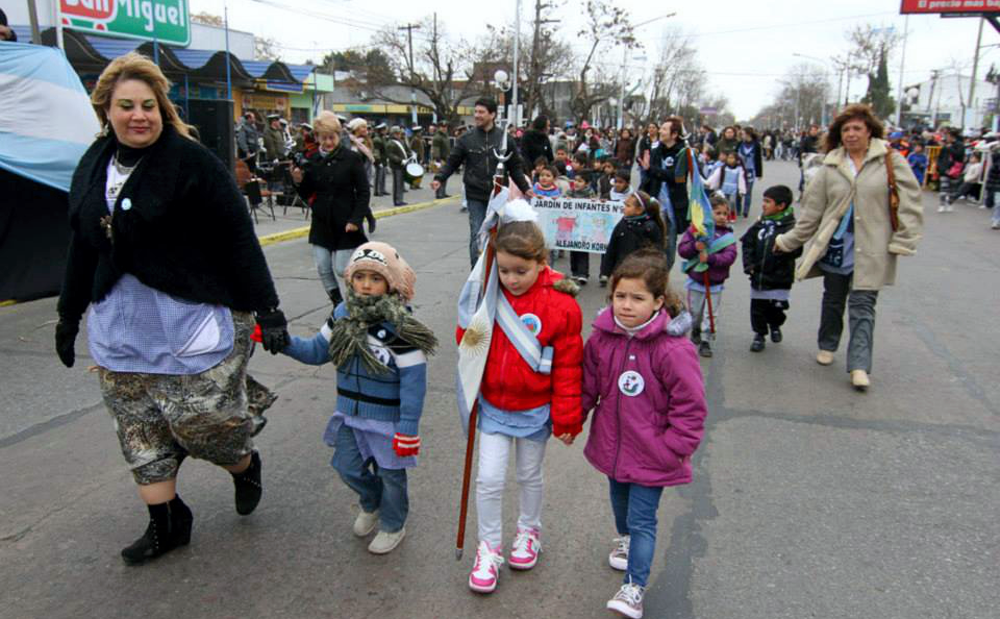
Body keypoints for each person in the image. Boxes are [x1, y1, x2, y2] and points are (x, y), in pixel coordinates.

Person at [55, 52, 289, 565]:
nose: (138, 115)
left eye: (148, 105)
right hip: (120, 322)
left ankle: (243, 462)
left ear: (162, 108)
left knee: (205, 424)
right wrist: (69, 315)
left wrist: (267, 307)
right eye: (126, 106)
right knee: (137, 429)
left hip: (188, 314)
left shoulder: (191, 162)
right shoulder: (94, 163)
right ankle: (168, 523)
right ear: (107, 111)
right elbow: (82, 244)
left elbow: (237, 237)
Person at [279, 242, 436, 555]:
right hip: (350, 414)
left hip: (388, 419)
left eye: (375, 278)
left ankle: (393, 523)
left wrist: (407, 427)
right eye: (360, 276)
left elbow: (413, 383)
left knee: (392, 476)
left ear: (390, 283)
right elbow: (315, 352)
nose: (366, 284)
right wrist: (280, 341)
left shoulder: (402, 328)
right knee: (347, 467)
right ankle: (372, 502)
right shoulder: (342, 315)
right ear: (349, 279)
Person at [458, 215, 583, 594]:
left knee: (529, 475)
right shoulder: (487, 293)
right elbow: (468, 344)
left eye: (521, 270)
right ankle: (489, 546)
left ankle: (529, 531)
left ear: (542, 261)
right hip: (495, 405)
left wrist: (566, 417)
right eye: (505, 270)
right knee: (489, 479)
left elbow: (568, 368)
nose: (511, 279)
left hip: (535, 409)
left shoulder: (562, 306)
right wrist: (472, 309)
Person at [581, 249, 707, 619]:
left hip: (654, 455)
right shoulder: (603, 339)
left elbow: (691, 406)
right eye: (620, 296)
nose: (626, 305)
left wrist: (673, 449)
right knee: (621, 513)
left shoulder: (673, 350)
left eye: (637, 298)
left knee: (642, 520)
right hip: (613, 450)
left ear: (658, 302)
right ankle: (626, 542)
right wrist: (573, 419)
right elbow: (589, 384)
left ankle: (633, 587)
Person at [775, 104, 924, 391]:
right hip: (836, 246)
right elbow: (811, 212)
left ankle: (858, 365)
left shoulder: (891, 161)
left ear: (870, 131)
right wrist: (788, 241)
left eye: (857, 128)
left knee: (863, 305)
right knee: (833, 299)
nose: (851, 134)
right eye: (846, 130)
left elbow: (911, 202)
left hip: (872, 247)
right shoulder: (830, 166)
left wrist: (905, 239)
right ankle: (828, 343)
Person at [431, 97, 532, 268]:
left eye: (481, 112)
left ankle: (497, 273)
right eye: (475, 112)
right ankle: (476, 275)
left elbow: (515, 167)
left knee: (499, 235)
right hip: (475, 195)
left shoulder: (505, 139)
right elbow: (452, 161)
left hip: (499, 196)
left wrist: (525, 188)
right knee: (477, 235)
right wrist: (439, 178)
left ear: (492, 114)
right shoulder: (466, 139)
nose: (476, 115)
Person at [292, 111, 370, 307]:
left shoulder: (352, 158)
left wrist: (356, 220)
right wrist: (298, 181)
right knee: (323, 268)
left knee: (342, 268)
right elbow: (306, 192)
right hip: (321, 222)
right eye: (323, 138)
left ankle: (359, 300)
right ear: (317, 137)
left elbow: (363, 192)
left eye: (332, 137)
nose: (328, 142)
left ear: (339, 135)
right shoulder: (313, 160)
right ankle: (338, 305)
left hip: (346, 222)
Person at [741, 185, 802, 352]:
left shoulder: (791, 228)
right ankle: (759, 335)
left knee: (777, 308)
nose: (763, 205)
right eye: (763, 201)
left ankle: (775, 324)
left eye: (768, 202)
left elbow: (796, 250)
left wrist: (781, 251)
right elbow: (748, 243)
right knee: (758, 308)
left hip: (780, 277)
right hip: (759, 275)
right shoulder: (760, 224)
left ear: (781, 206)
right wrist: (749, 265)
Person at [677, 195, 738, 358]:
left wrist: (711, 259)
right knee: (695, 312)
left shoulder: (727, 236)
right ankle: (695, 329)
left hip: (715, 282)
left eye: (725, 214)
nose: (722, 217)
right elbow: (682, 250)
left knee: (711, 314)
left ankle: (706, 340)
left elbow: (730, 257)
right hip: (697, 279)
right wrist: (694, 247)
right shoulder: (696, 231)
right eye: (718, 213)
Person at [639, 117, 689, 268]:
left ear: (674, 134)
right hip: (655, 206)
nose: (660, 131)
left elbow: (677, 177)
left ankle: (662, 280)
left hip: (673, 207)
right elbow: (649, 178)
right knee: (650, 246)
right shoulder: (655, 152)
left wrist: (651, 170)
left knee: (668, 249)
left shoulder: (683, 154)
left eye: (664, 129)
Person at [600, 190, 666, 287]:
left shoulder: (650, 228)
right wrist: (605, 271)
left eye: (628, 206)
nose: (624, 208)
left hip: (641, 274)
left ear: (639, 210)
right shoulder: (623, 223)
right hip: (620, 271)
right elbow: (612, 247)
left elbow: (656, 254)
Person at [565, 174, 596, 285]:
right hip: (572, 225)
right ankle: (575, 271)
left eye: (580, 181)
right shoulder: (570, 193)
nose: (576, 183)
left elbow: (596, 205)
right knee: (573, 248)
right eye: (575, 180)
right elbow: (561, 203)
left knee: (583, 248)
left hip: (584, 225)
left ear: (587, 184)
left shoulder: (590, 194)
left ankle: (583, 273)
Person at [706, 152, 747, 222]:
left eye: (732, 158)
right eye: (729, 158)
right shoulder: (723, 168)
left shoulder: (739, 169)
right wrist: (709, 182)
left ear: (736, 159)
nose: (730, 160)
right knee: (725, 203)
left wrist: (741, 190)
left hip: (733, 188)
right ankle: (727, 214)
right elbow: (715, 176)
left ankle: (733, 213)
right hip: (724, 188)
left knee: (732, 202)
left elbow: (741, 180)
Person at [737, 127, 764, 218]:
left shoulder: (756, 145)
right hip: (740, 170)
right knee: (739, 190)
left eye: (743, 134)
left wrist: (759, 173)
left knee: (748, 191)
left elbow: (758, 159)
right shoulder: (740, 143)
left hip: (750, 170)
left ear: (748, 134)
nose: (742, 136)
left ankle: (746, 210)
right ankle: (738, 208)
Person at [387, 126, 410, 207]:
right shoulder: (391, 143)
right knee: (397, 184)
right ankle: (397, 200)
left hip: (402, 165)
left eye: (399, 133)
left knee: (400, 183)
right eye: (397, 133)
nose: (399, 135)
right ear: (393, 134)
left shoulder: (400, 141)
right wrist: (400, 160)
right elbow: (391, 155)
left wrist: (411, 155)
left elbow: (405, 151)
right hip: (396, 166)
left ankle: (400, 199)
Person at [431, 124, 451, 198]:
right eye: (442, 127)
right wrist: (437, 160)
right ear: (439, 128)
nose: (444, 128)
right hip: (440, 159)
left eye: (445, 127)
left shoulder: (445, 136)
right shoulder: (438, 137)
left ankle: (443, 192)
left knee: (444, 176)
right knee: (439, 177)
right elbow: (436, 149)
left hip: (446, 159)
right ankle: (439, 193)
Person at [372, 123, 389, 197]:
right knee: (379, 176)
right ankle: (378, 191)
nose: (386, 131)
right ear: (381, 131)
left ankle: (382, 190)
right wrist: (378, 161)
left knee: (383, 176)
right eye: (384, 130)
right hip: (380, 160)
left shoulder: (383, 138)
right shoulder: (377, 139)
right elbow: (376, 152)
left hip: (384, 160)